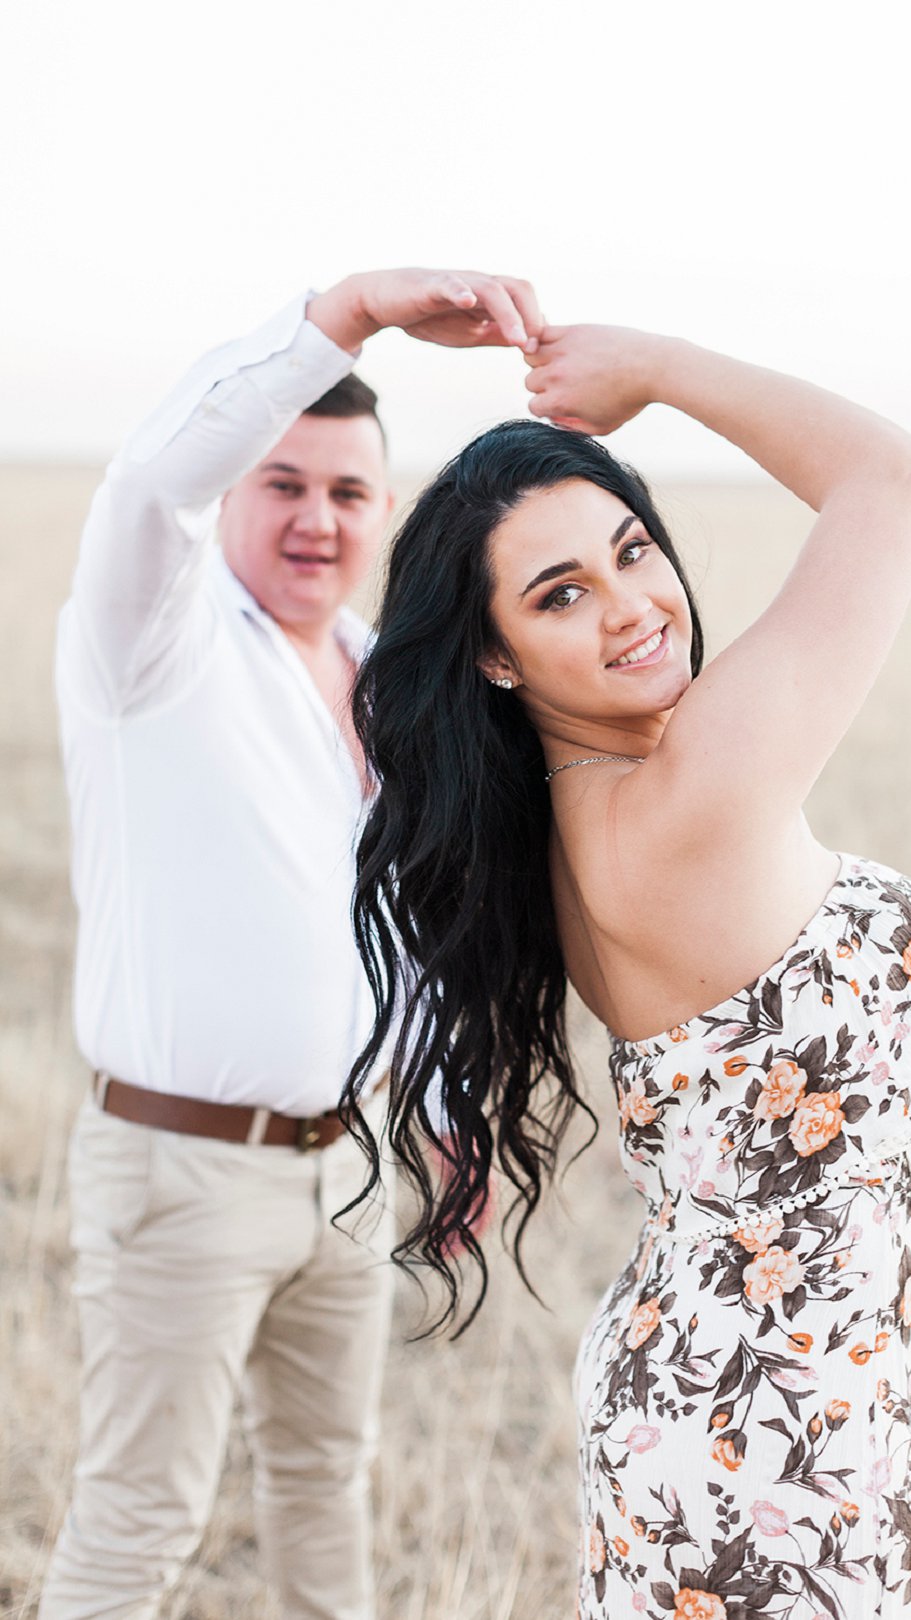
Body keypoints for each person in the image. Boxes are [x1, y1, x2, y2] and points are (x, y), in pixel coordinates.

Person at [340, 320, 911, 1618]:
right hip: (773, 1449)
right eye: (559, 594)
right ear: (493, 655)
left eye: (632, 549)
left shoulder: (587, 814)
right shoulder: (689, 795)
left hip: (764, 1410)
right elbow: (892, 478)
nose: (634, 605)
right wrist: (651, 371)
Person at [42, 267, 543, 1619]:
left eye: (348, 492)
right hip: (182, 1174)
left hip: (345, 1170)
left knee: (328, 1495)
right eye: (283, 485)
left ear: (384, 511)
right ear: (234, 500)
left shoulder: (382, 687)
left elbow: (406, 931)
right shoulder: (151, 644)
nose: (317, 519)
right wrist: (354, 308)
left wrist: (446, 1114)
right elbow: (151, 485)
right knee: (137, 1525)